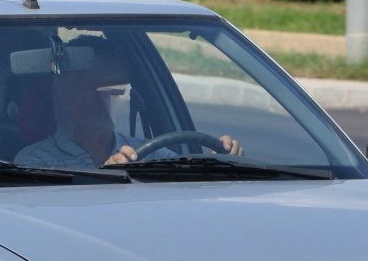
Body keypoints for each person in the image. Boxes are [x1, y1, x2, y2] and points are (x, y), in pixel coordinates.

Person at [14, 41, 241, 169]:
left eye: (120, 87)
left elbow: (186, 194)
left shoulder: (152, 154)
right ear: (66, 92)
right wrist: (104, 178)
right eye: (99, 87)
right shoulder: (35, 162)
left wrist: (221, 164)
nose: (113, 95)